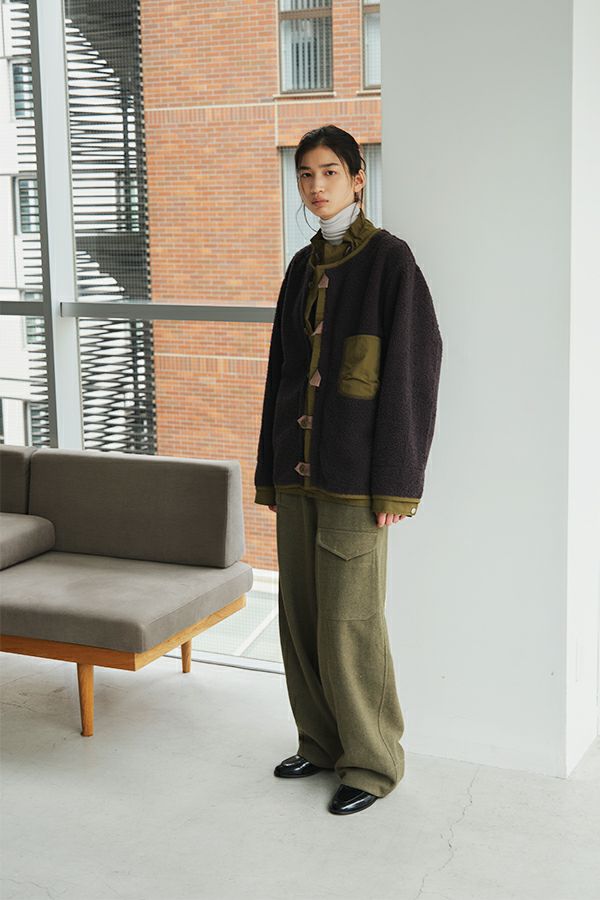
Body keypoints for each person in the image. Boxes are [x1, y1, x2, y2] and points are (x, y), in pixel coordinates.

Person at [254, 124, 443, 815]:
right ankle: (320, 741)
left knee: (350, 624)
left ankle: (370, 763)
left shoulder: (391, 262)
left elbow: (414, 374)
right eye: (305, 174)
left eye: (329, 172)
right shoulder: (300, 268)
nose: (315, 186)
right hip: (298, 473)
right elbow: (281, 374)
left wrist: (397, 482)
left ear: (357, 178)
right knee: (300, 618)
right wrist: (270, 471)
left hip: (357, 480)